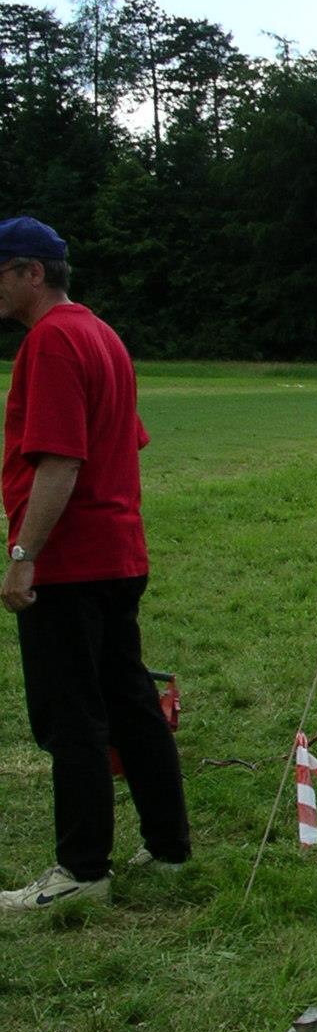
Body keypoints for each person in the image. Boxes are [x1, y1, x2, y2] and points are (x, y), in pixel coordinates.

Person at [0, 216, 190, 912]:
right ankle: (169, 849)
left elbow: (61, 460)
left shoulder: (50, 342)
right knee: (131, 702)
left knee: (70, 716)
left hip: (72, 562)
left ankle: (81, 871)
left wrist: (25, 554)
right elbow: (124, 441)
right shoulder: (101, 333)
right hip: (118, 552)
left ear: (32, 273)